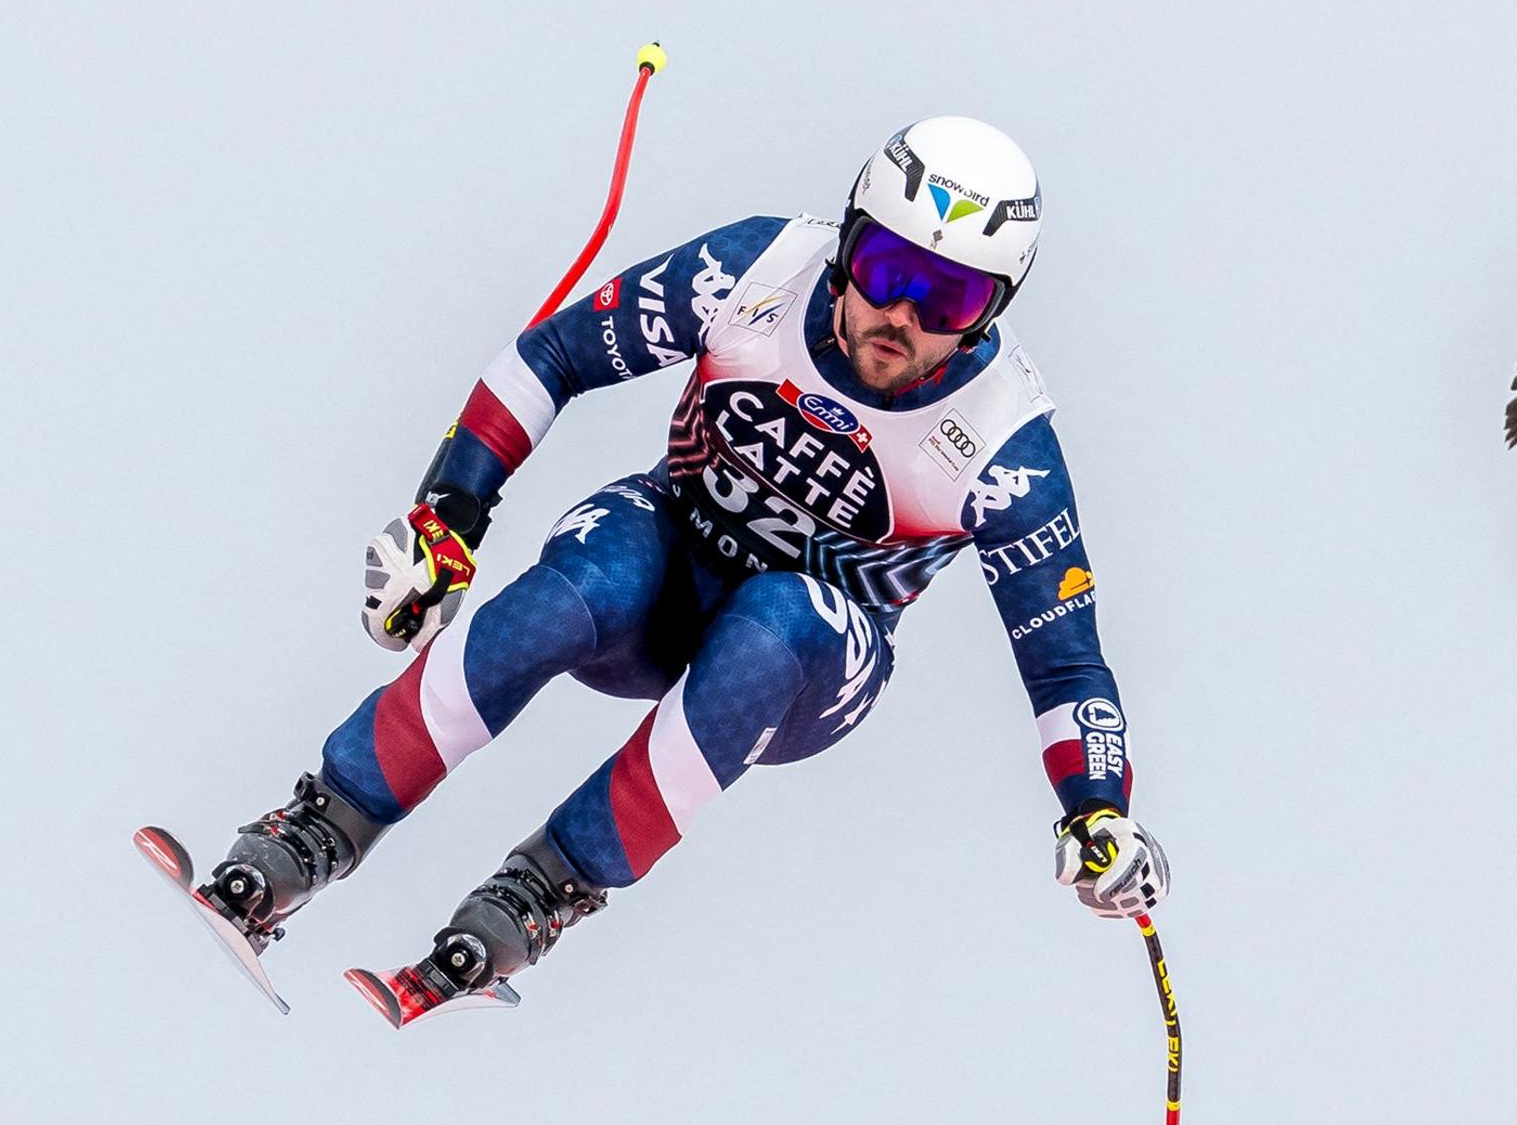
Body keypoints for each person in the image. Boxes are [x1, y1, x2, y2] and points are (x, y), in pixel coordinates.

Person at [199, 116, 1169, 1020]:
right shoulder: (758, 269)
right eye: (882, 266)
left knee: (781, 613)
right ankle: (314, 828)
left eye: (946, 296)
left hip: (806, 667)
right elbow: (552, 357)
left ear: (991, 311)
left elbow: (1067, 668)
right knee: (595, 574)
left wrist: (1098, 813)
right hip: (664, 574)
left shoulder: (1005, 442)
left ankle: (542, 892)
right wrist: (447, 517)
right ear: (844, 245)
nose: (898, 313)